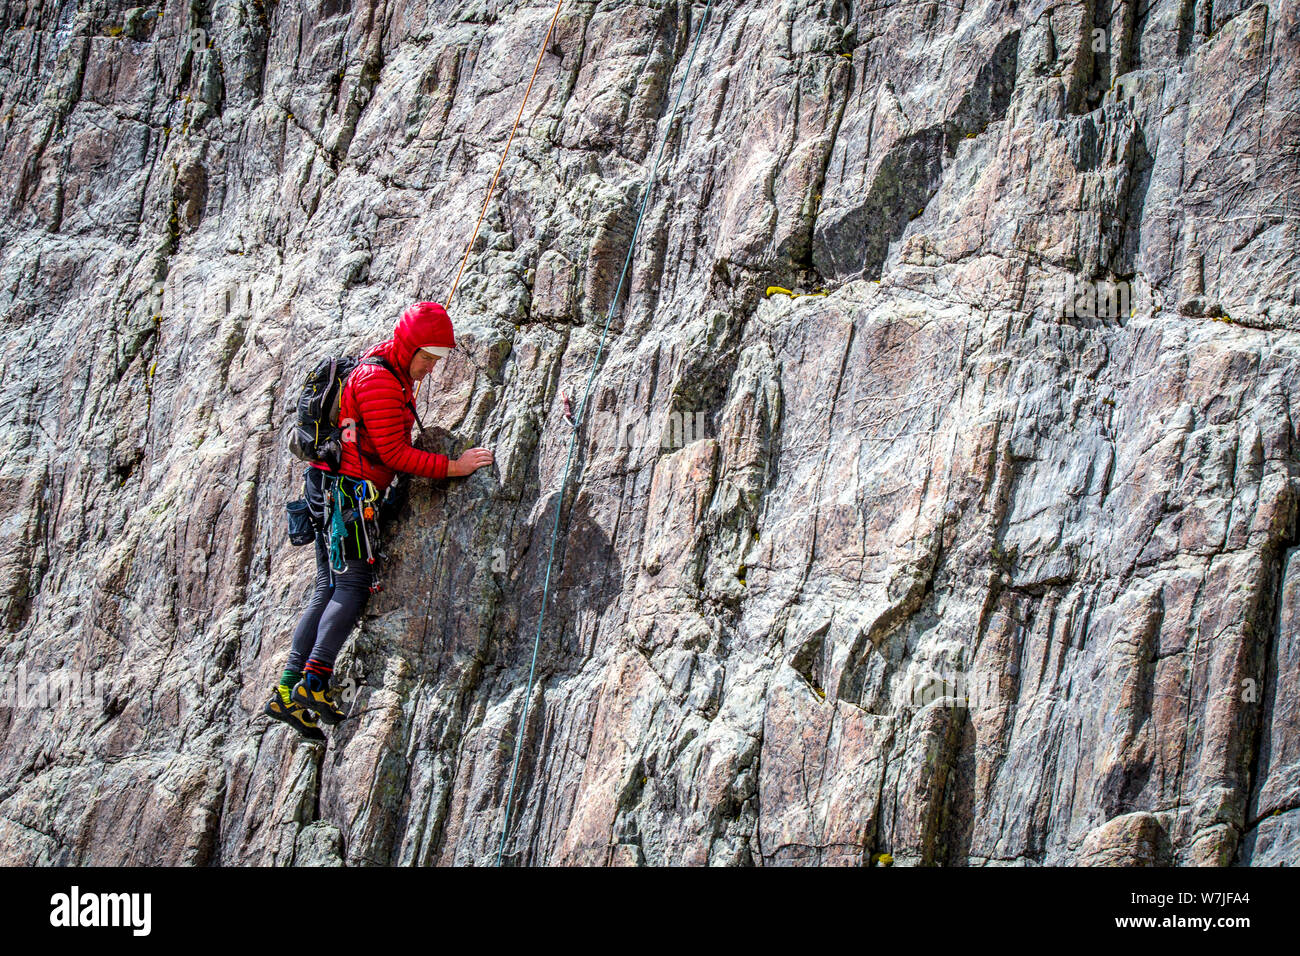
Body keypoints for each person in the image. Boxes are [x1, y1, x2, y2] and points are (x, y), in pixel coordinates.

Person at [264, 301, 494, 740]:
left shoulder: (385, 365)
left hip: (330, 487)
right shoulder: (381, 382)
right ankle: (315, 682)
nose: (430, 368)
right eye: (426, 357)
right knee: (351, 586)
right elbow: (394, 455)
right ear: (408, 347)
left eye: (437, 359)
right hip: (350, 494)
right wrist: (453, 466)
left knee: (327, 587)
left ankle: (288, 692)